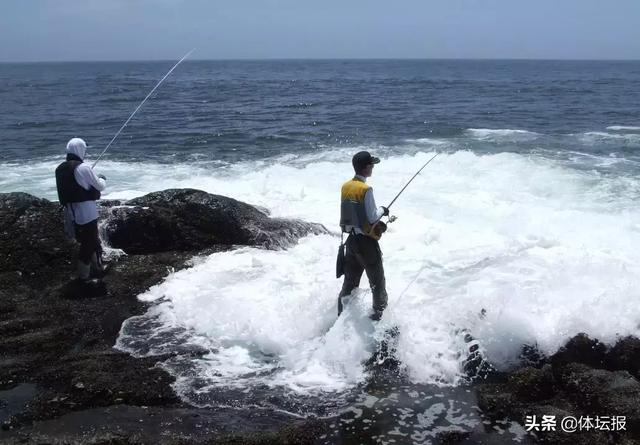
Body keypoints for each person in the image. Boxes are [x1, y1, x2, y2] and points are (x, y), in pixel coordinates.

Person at [338, 151, 389, 320]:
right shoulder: (366, 189)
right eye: (371, 165)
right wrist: (383, 210)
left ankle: (341, 318)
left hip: (350, 242)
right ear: (366, 168)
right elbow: (373, 217)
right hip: (366, 244)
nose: (373, 167)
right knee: (378, 285)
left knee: (349, 284)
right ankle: (380, 323)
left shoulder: (346, 186)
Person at [55, 138, 107, 282]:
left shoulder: (60, 169)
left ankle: (97, 267)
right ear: (80, 150)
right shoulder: (83, 168)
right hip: (87, 213)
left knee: (89, 240)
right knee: (89, 243)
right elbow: (100, 186)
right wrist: (102, 178)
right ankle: (84, 276)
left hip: (71, 213)